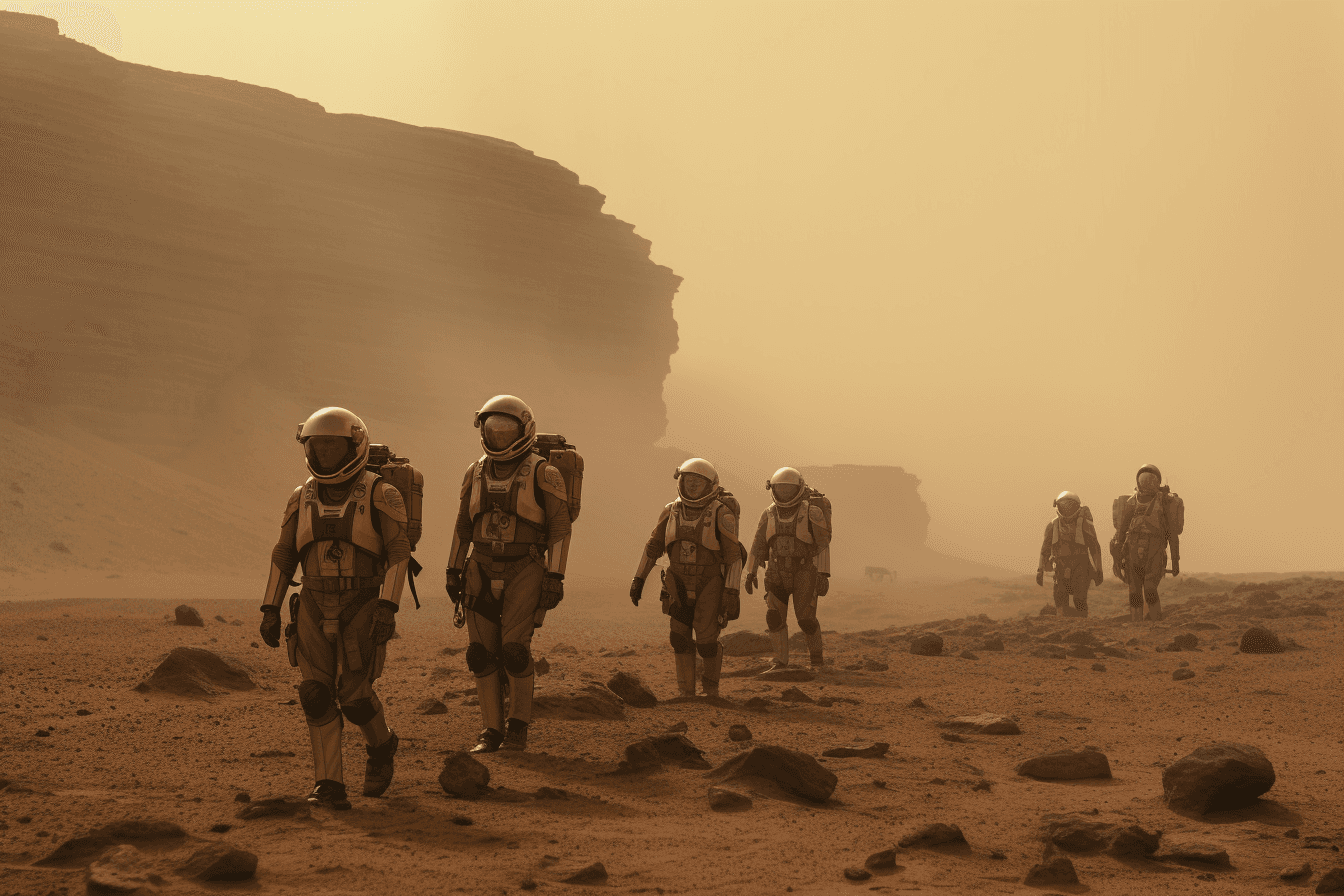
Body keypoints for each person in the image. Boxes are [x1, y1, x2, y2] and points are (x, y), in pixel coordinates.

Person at [259, 407, 409, 809]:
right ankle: (329, 785)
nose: (323, 453)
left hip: (362, 600)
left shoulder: (382, 493)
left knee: (355, 697)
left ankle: (382, 745)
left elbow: (398, 553)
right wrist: (270, 608)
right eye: (317, 445)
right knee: (315, 694)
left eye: (332, 445)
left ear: (353, 446)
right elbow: (285, 552)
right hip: (311, 599)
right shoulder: (301, 496)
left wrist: (387, 607)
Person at [444, 395, 571, 754]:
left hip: (524, 568)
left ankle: (517, 727)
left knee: (515, 650)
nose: (498, 437)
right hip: (479, 567)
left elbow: (560, 527)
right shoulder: (475, 471)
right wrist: (453, 569)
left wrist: (554, 578)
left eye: (506, 431)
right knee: (480, 653)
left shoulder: (543, 472)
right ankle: (490, 730)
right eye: (492, 430)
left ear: (524, 430)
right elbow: (463, 524)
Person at [629, 458, 742, 698]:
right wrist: (639, 579)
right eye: (688, 481)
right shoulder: (671, 511)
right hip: (677, 579)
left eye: (697, 483)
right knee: (678, 636)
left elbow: (733, 557)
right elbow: (653, 547)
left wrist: (731, 592)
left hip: (709, 582)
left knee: (706, 641)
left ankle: (711, 691)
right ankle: (685, 693)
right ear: (680, 481)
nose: (691, 487)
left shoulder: (722, 513)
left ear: (709, 485)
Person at [744, 467, 832, 669]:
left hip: (805, 570)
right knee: (774, 617)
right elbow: (758, 545)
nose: (784, 493)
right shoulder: (768, 514)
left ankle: (817, 661)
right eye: (780, 489)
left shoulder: (813, 512)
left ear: (799, 489)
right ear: (773, 488)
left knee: (806, 620)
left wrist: (823, 574)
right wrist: (750, 572)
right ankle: (780, 661)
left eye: (788, 489)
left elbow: (822, 544)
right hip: (775, 571)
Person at [1112, 464, 1180, 623]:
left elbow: (1172, 535)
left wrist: (1175, 561)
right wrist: (1117, 557)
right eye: (1144, 480)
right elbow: (1121, 532)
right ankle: (1137, 625)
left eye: (1151, 480)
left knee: (1150, 589)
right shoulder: (1131, 502)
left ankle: (1156, 624)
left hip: (1155, 551)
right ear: (1138, 481)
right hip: (1132, 551)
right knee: (1134, 592)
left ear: (1158, 483)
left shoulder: (1164, 503)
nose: (1147, 484)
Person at [1035, 491, 1102, 617]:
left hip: (1081, 565)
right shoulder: (1053, 525)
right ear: (1058, 506)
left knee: (1079, 598)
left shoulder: (1084, 525)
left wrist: (1098, 569)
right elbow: (1045, 550)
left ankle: (1082, 623)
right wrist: (1040, 570)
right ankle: (1063, 624)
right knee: (1060, 598)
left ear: (1077, 507)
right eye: (1063, 506)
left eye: (1070, 506)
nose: (1067, 510)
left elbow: (1094, 548)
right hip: (1059, 565)